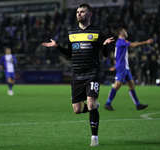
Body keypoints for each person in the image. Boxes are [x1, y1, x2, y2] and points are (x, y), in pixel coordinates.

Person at [42, 3, 114, 146]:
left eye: (82, 12)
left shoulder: (98, 31)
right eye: (77, 12)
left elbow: (104, 55)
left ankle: (94, 137)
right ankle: (92, 108)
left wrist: (105, 46)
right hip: (77, 74)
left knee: (91, 103)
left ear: (90, 14)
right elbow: (70, 53)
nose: (79, 14)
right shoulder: (71, 32)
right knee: (77, 109)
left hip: (92, 73)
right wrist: (57, 47)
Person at [104, 27, 153, 111]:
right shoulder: (121, 41)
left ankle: (138, 104)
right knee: (117, 85)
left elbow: (117, 55)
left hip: (125, 67)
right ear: (121, 33)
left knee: (131, 85)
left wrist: (116, 66)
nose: (126, 32)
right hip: (122, 67)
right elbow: (134, 45)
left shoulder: (119, 42)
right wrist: (146, 42)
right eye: (124, 31)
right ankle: (108, 103)